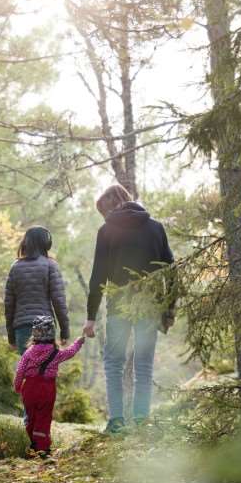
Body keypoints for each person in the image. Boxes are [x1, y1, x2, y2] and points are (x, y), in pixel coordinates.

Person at [82, 184, 175, 434]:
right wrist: (169, 306)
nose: (104, 217)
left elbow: (98, 276)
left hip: (118, 306)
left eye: (104, 211)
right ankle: (142, 421)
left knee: (113, 363)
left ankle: (116, 422)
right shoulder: (155, 228)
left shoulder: (106, 231)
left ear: (112, 205)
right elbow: (171, 267)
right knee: (143, 365)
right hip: (150, 304)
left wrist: (90, 317)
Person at [14, 316, 85, 456]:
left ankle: (32, 443)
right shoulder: (56, 353)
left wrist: (17, 386)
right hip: (47, 388)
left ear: (34, 333)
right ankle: (42, 447)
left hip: (29, 388)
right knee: (44, 417)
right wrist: (78, 342)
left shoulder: (28, 353)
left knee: (30, 417)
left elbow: (20, 370)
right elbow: (70, 352)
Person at [4, 226, 70, 354]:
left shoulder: (15, 267)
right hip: (44, 324)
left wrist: (11, 335)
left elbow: (9, 305)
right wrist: (64, 331)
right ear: (46, 244)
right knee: (44, 369)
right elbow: (59, 301)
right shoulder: (50, 265)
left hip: (21, 327)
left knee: (27, 370)